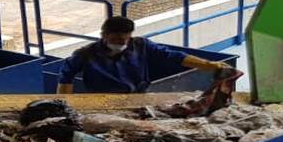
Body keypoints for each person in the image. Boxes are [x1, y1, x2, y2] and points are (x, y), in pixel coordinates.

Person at [56, 16, 232, 94]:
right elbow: (66, 78)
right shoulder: (85, 54)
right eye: (115, 39)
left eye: (124, 39)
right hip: (103, 100)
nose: (120, 43)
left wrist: (211, 65)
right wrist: (65, 104)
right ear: (104, 35)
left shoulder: (141, 45)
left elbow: (175, 57)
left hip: (138, 96)